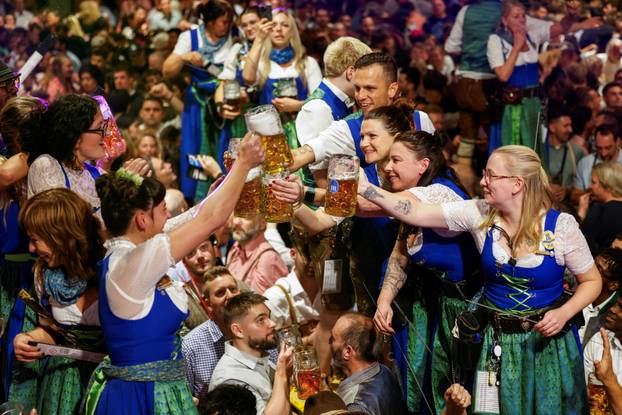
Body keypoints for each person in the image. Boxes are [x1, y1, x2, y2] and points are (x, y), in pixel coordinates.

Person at [357, 145, 601, 413]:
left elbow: (591, 281)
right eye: (484, 174)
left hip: (545, 346)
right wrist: (365, 187)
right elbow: (414, 212)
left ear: (517, 184)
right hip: (496, 341)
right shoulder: (479, 213)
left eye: (491, 176)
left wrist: (565, 312)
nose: (483, 181)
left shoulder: (561, 226)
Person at [83, 132, 263, 414]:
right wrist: (242, 163)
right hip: (140, 398)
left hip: (159, 388)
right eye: (163, 210)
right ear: (142, 219)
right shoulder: (132, 261)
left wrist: (226, 181)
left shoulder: (127, 252)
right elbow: (210, 220)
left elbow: (194, 217)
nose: (168, 217)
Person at [371, 130, 480, 413]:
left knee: (455, 389)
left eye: (396, 160)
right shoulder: (412, 201)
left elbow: (369, 205)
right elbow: (400, 256)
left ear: (423, 165)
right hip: (435, 305)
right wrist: (384, 299)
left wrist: (345, 188)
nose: (387, 167)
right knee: (424, 387)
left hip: (464, 313)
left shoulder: (440, 193)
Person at [14, 188, 106, 415]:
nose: (31, 249)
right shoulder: (45, 275)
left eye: (36, 239)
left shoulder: (111, 267)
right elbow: (55, 332)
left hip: (108, 381)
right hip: (62, 384)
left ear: (61, 236)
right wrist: (28, 338)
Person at [163, 0, 234, 201]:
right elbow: (167, 70)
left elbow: (226, 74)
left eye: (230, 22)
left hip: (224, 104)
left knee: (225, 149)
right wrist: (184, 57)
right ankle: (197, 199)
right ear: (210, 22)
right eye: (223, 22)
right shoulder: (190, 37)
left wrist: (205, 63)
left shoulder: (235, 37)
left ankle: (224, 194)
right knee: (195, 148)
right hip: (198, 105)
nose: (228, 26)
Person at [0, 97, 45, 407]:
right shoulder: (8, 163)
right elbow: (5, 176)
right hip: (5, 275)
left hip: (36, 273)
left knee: (26, 356)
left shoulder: (46, 164)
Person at [486, 0, 561, 160]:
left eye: (523, 16)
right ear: (505, 20)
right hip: (513, 107)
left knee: (536, 148)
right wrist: (516, 47)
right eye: (516, 16)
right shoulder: (496, 40)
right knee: (516, 154)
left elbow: (559, 29)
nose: (521, 19)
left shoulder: (532, 37)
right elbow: (503, 75)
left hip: (534, 104)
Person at [295, 36, 371, 185]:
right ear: (351, 73)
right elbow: (321, 177)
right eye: (365, 73)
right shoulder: (318, 108)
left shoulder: (344, 101)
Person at [243, 9, 322, 149]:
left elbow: (320, 102)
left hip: (303, 131)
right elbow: (248, 78)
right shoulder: (261, 63)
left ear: (292, 30)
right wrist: (259, 39)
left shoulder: (308, 63)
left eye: (285, 25)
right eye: (273, 25)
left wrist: (297, 105)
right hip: (268, 135)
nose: (278, 29)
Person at [208, 292, 292, 415]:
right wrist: (281, 375)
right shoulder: (230, 379)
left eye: (269, 317)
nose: (272, 324)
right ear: (238, 331)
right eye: (261, 320)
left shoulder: (259, 359)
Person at [182, 266, 240, 397]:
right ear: (207, 304)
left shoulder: (257, 331)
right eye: (220, 293)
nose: (230, 296)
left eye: (233, 289)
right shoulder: (190, 346)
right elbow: (186, 401)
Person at [330, 313, 404, 415]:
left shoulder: (356, 407)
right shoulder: (384, 370)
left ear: (347, 352)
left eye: (332, 339)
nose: (329, 343)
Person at [263, 226, 319, 337]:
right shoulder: (276, 297)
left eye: (318, 257)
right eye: (307, 256)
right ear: (293, 254)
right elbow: (270, 348)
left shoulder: (332, 290)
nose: (312, 263)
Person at [226, 214, 288, 294]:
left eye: (246, 217)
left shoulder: (267, 258)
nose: (237, 222)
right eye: (236, 216)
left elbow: (261, 303)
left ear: (262, 224)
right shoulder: (235, 249)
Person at [579, 248, 622, 347]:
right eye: (592, 264)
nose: (587, 271)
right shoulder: (574, 290)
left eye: (598, 270)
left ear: (613, 285)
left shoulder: (615, 317)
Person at [578, 162, 622, 255]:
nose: (590, 186)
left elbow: (581, 244)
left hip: (601, 266)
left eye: (594, 182)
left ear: (607, 185)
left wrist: (581, 214)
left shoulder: (599, 211)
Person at [545, 107, 584, 204]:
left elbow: (584, 185)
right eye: (566, 126)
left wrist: (567, 191)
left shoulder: (577, 151)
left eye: (570, 125)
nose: (570, 130)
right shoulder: (540, 150)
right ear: (552, 127)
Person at [574, 124, 622, 191]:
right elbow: (575, 193)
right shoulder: (585, 163)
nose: (603, 153)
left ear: (618, 141)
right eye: (599, 148)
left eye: (608, 148)